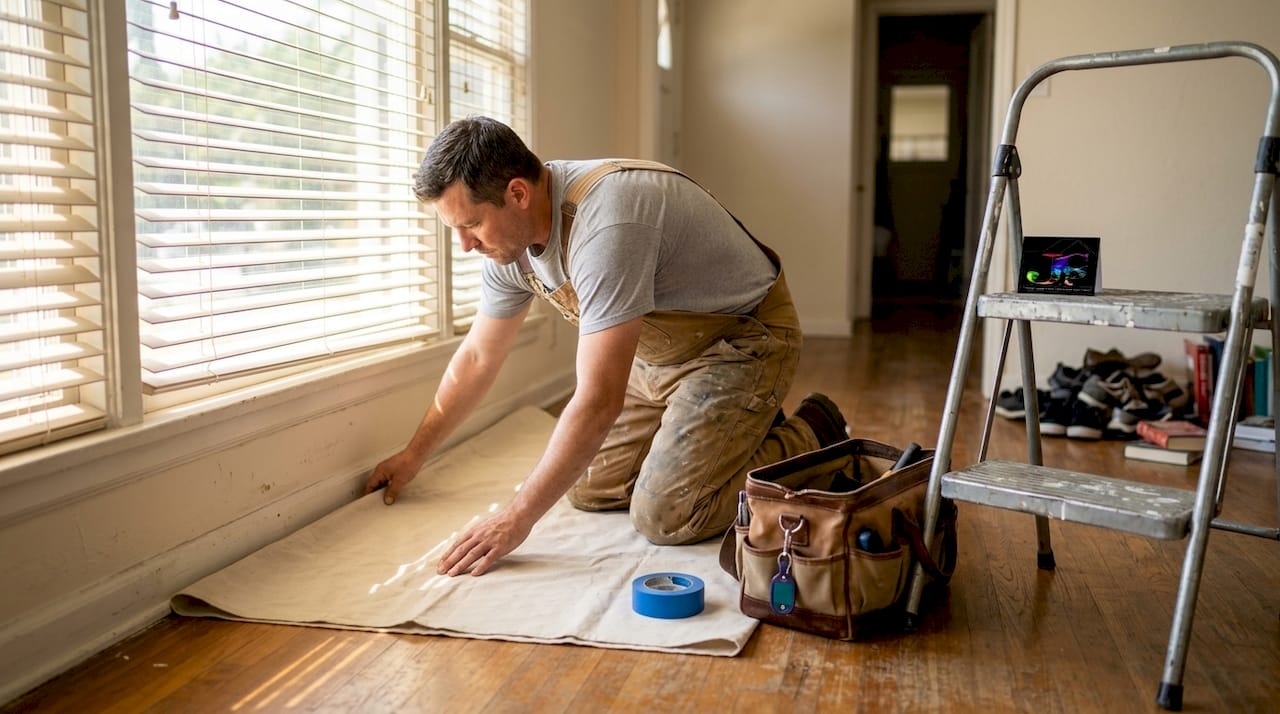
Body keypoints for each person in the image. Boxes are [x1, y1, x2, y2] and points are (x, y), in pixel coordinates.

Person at [365, 116, 848, 577]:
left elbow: (598, 399)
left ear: (517, 193)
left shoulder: (607, 225)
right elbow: (476, 358)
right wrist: (413, 455)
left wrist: (514, 520)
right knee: (589, 488)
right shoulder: (509, 249)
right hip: (657, 356)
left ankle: (812, 432)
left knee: (668, 515)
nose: (465, 245)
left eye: (470, 225)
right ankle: (737, 433)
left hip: (741, 343)